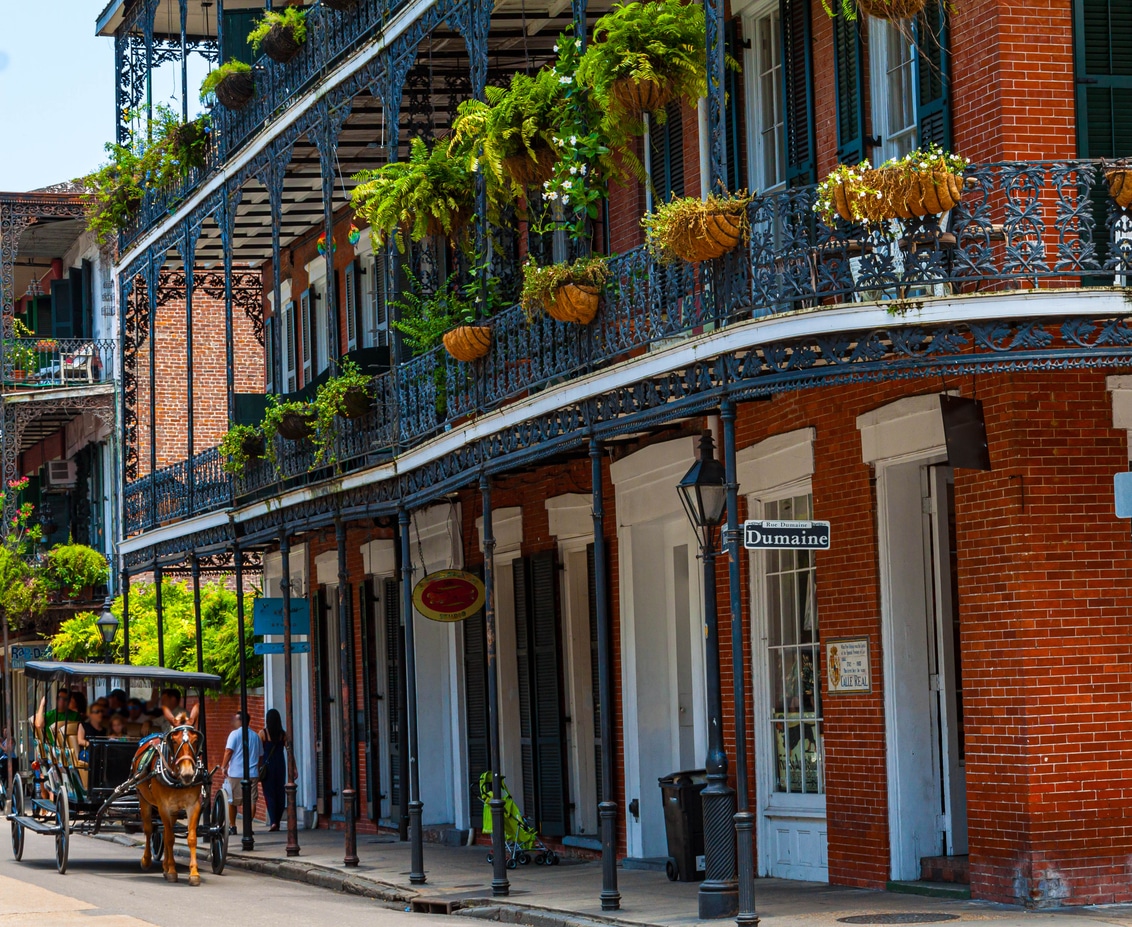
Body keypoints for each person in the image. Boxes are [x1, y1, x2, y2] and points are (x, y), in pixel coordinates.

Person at [221, 712, 263, 835]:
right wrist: (257, 767)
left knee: (232, 801)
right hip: (253, 773)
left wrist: (223, 766)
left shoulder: (234, 734)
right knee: (251, 800)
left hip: (236, 773)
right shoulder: (256, 736)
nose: (233, 721)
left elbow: (228, 751)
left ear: (240, 721)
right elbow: (260, 756)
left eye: (236, 719)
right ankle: (248, 826)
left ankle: (233, 826)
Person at [258, 709, 287, 831]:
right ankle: (278, 821)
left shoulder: (263, 733)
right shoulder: (283, 734)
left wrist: (258, 767)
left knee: (269, 793)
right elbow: (289, 751)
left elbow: (259, 753)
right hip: (280, 764)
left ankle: (273, 821)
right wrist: (294, 767)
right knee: (280, 792)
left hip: (267, 765)